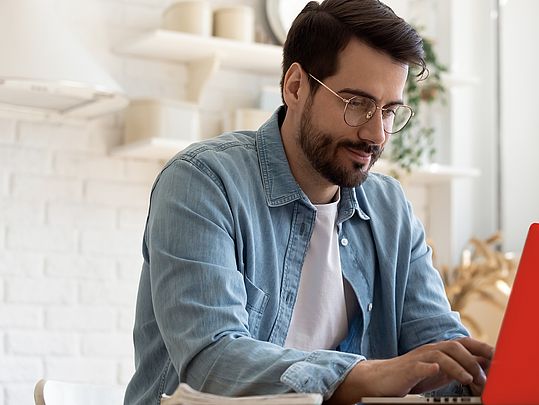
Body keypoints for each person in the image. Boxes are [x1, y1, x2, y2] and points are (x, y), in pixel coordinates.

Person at [124, 1, 493, 404]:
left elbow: (439, 349)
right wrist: (363, 375)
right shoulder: (203, 183)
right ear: (296, 86)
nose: (376, 134)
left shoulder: (391, 210)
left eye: (389, 111)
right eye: (357, 104)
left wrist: (484, 371)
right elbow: (210, 363)